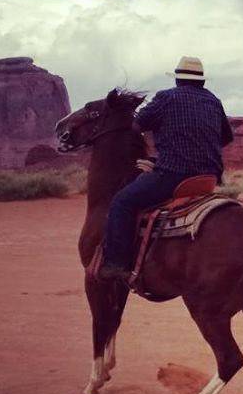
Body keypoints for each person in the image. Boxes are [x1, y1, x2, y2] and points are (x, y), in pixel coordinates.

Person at [98, 56, 234, 281]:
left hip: (172, 176)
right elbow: (226, 137)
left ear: (178, 80)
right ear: (202, 81)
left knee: (122, 202)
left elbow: (137, 124)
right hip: (208, 178)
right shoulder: (213, 101)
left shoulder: (166, 98)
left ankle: (116, 264)